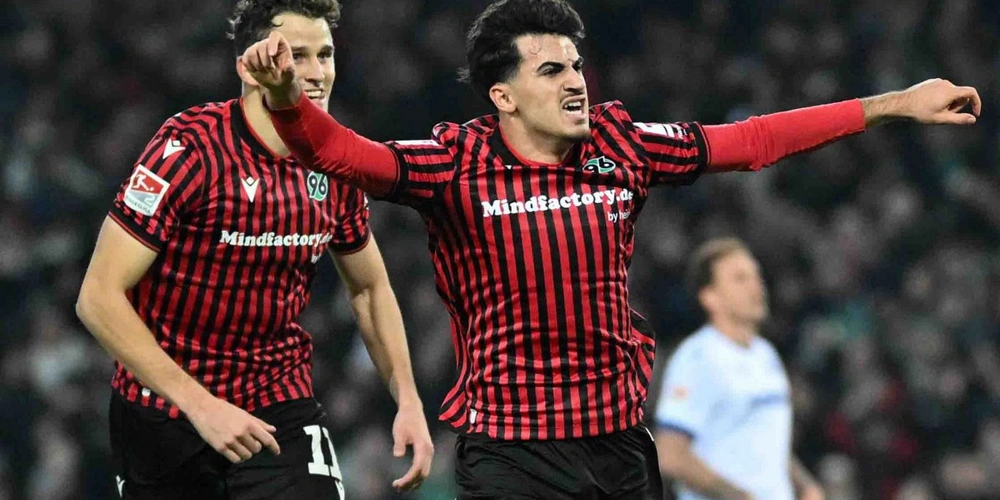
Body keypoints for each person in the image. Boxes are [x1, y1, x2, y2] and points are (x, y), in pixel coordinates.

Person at [240, 0, 980, 497]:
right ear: (503, 96)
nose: (576, 82)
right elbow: (343, 154)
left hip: (620, 449)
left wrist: (896, 104)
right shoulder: (452, 165)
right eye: (552, 70)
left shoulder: (621, 145)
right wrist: (286, 100)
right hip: (512, 458)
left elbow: (754, 141)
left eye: (577, 66)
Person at [75, 0, 433, 497]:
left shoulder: (334, 161)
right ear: (248, 66)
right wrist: (202, 406)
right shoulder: (189, 148)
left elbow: (369, 289)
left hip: (277, 403)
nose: (316, 74)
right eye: (295, 55)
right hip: (163, 413)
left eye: (325, 55)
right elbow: (97, 297)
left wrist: (407, 399)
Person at [654, 239, 823, 500]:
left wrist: (805, 486)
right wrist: (738, 496)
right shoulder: (697, 359)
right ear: (710, 298)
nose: (756, 286)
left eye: (756, 276)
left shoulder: (766, 355)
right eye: (740, 279)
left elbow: (765, 441)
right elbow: (670, 454)